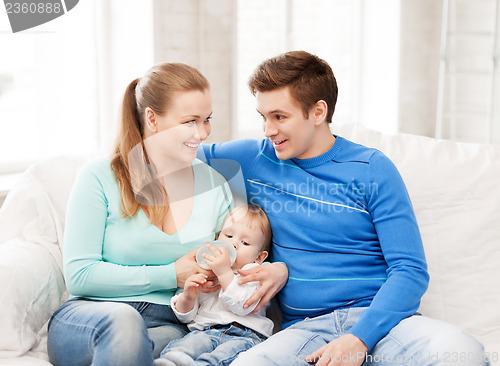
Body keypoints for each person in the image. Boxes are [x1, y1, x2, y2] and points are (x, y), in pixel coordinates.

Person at [198, 51, 488, 365]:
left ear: (318, 111)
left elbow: (410, 271)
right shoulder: (256, 158)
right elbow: (171, 153)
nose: (268, 130)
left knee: (461, 351)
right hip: (306, 333)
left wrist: (359, 338)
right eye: (263, 117)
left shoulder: (371, 168)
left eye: (279, 117)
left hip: (384, 325)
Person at [47, 62, 233, 366]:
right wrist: (171, 273)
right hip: (93, 317)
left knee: (178, 349)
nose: (202, 133)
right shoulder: (99, 176)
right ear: (152, 119)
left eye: (206, 119)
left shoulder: (214, 185)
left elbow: (232, 257)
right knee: (124, 322)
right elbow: (80, 276)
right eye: (189, 121)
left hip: (169, 324)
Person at [158, 205, 274, 365]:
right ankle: (171, 361)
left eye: (245, 243)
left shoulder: (255, 272)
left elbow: (243, 305)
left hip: (244, 334)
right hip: (205, 331)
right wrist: (188, 295)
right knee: (186, 346)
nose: (234, 244)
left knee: (220, 357)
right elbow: (186, 317)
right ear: (218, 238)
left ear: (259, 257)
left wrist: (225, 272)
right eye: (228, 235)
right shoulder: (205, 269)